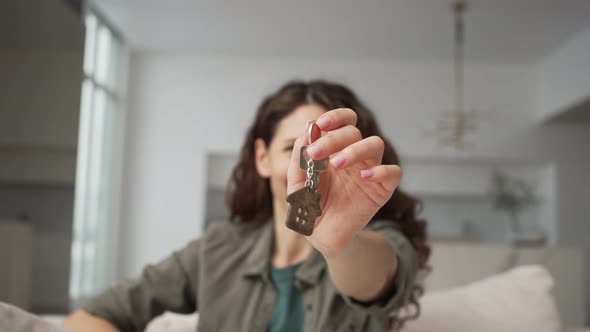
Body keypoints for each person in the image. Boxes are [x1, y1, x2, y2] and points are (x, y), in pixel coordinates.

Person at [63, 80, 430, 332]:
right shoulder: (217, 249)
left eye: (326, 155)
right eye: (294, 150)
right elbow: (93, 315)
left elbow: (376, 280)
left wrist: (341, 242)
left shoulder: (378, 243)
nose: (311, 170)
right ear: (262, 157)